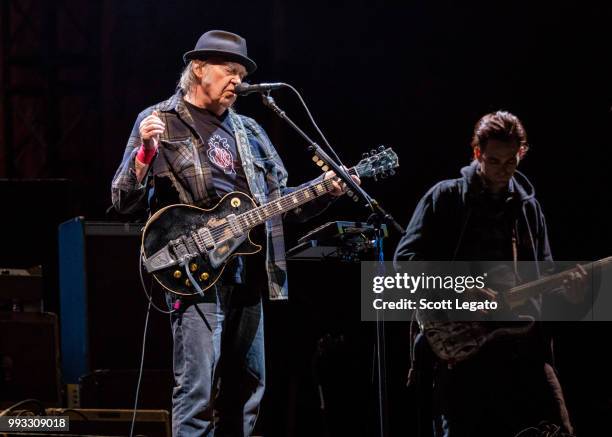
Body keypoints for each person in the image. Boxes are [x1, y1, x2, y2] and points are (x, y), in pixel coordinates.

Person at [111, 30, 357, 436]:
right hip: (195, 271)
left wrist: (325, 190)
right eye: (230, 71)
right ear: (198, 69)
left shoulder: (251, 131)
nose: (237, 83)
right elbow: (123, 199)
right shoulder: (159, 120)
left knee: (248, 386)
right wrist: (144, 156)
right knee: (197, 390)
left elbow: (282, 205)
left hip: (249, 271)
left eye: (242, 75)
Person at [393, 111, 582, 437]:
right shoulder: (446, 198)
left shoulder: (527, 208)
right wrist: (462, 288)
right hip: (463, 346)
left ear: (522, 153)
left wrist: (572, 294)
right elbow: (406, 260)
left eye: (511, 162)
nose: (503, 171)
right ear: (477, 153)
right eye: (494, 161)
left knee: (557, 428)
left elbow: (547, 274)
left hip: (523, 346)